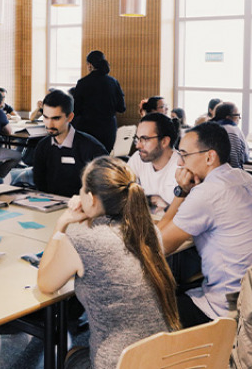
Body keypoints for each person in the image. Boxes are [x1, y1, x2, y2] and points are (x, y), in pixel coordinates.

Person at [37, 156, 179, 369]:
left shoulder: (83, 239)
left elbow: (45, 284)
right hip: (162, 359)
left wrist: (62, 223)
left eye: (83, 188)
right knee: (78, 352)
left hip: (119, 363)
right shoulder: (150, 233)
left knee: (72, 355)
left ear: (92, 198)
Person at [158, 122, 252, 328]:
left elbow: (159, 245)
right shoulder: (244, 177)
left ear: (209, 157)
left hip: (227, 310)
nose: (179, 162)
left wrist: (182, 191)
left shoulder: (207, 193)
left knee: (145, 311)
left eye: (185, 155)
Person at [33, 90, 107, 197]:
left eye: (56, 118)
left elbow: (105, 188)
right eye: (46, 117)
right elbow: (39, 184)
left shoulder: (92, 148)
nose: (49, 124)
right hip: (50, 205)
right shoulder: (42, 147)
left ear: (70, 117)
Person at [72, 50, 127, 153]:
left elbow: (76, 110)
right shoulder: (113, 82)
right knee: (104, 159)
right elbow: (121, 108)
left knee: (88, 160)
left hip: (88, 129)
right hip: (108, 129)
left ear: (89, 65)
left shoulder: (83, 83)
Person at [127, 113, 181, 214]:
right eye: (137, 139)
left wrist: (167, 209)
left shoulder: (181, 166)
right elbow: (120, 193)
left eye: (145, 139)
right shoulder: (138, 158)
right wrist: (149, 200)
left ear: (164, 141)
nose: (138, 145)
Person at [212, 101, 249, 169]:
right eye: (238, 115)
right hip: (232, 174)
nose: (239, 119)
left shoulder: (208, 128)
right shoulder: (233, 131)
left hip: (210, 174)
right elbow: (245, 158)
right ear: (228, 117)